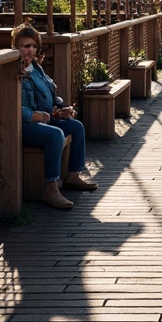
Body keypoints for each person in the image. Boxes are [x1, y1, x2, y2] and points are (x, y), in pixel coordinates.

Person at [14, 23, 97, 209]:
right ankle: (50, 188)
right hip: (23, 125)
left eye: (34, 46)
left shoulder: (35, 68)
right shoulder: (12, 71)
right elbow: (14, 108)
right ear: (15, 47)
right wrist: (37, 116)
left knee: (76, 126)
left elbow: (50, 94)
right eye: (25, 46)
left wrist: (61, 107)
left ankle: (73, 175)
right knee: (55, 135)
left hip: (45, 119)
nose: (30, 50)